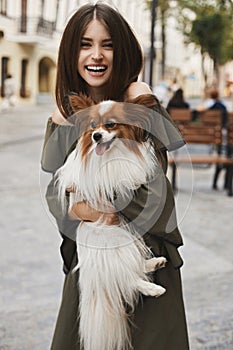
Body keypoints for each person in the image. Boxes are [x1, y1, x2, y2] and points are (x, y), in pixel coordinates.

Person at [41, 3, 189, 350]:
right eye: (85, 44)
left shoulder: (139, 103)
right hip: (95, 263)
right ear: (70, 53)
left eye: (107, 44)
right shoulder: (66, 116)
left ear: (121, 49)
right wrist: (84, 210)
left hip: (149, 257)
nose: (97, 55)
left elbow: (159, 183)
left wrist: (141, 96)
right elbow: (54, 189)